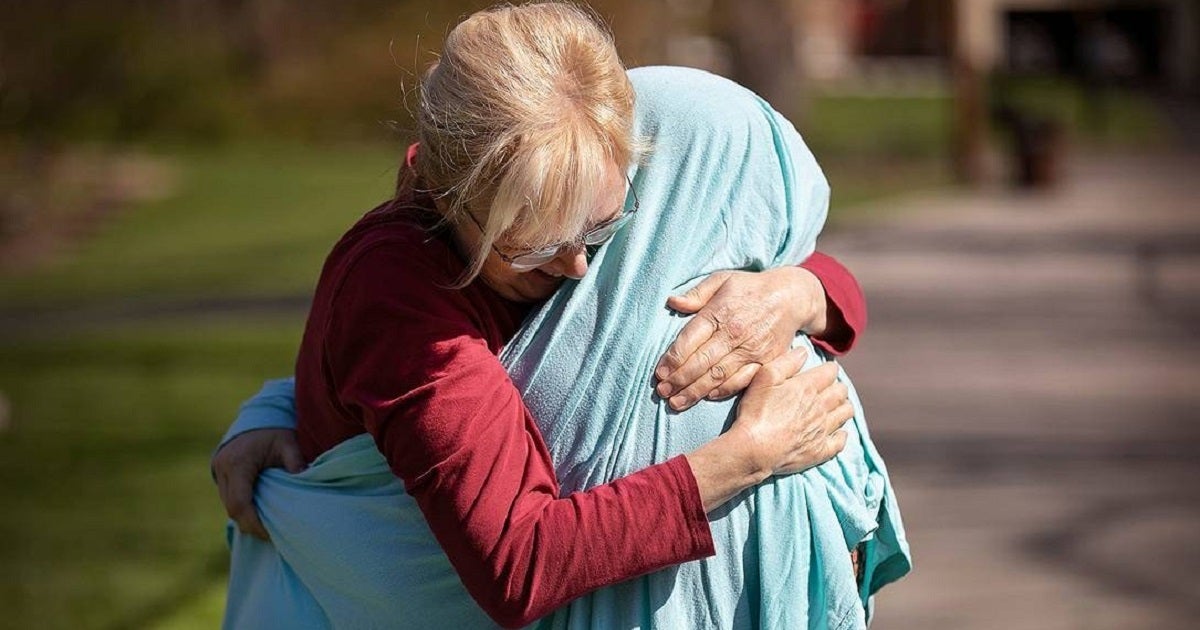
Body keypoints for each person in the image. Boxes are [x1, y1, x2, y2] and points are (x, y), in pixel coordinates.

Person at [212, 4, 908, 629]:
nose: (577, 266)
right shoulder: (400, 295)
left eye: (602, 231)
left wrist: (792, 295)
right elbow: (518, 565)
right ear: (451, 197)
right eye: (538, 245)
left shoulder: (569, 182)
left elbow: (830, 281)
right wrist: (746, 456)